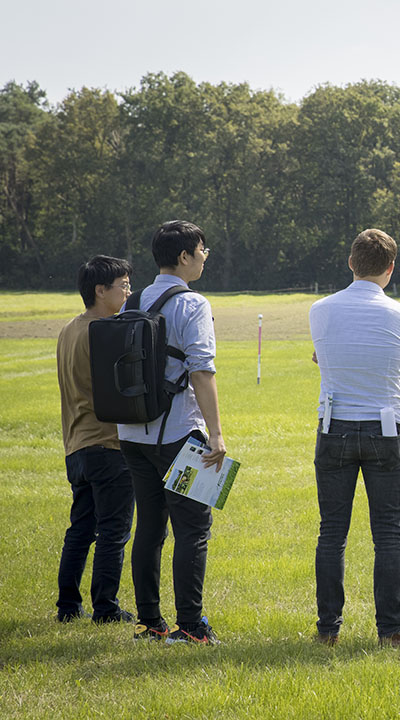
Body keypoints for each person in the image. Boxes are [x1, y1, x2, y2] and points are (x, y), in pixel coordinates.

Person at [309, 228, 400, 648]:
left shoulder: (320, 309)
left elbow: (327, 356)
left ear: (351, 263)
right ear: (389, 269)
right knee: (388, 533)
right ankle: (390, 629)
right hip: (385, 426)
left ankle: (327, 629)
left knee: (332, 532)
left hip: (334, 425)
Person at [118, 220, 226, 645]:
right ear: (184, 257)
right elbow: (201, 371)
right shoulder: (193, 304)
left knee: (149, 526)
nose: (204, 257)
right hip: (181, 434)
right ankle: (191, 626)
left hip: (132, 434)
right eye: (202, 250)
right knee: (193, 529)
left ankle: (150, 623)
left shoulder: (135, 300)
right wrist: (216, 435)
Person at [55, 255, 136, 624]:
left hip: (76, 445)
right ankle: (106, 608)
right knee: (113, 531)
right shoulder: (106, 332)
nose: (128, 291)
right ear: (100, 290)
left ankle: (68, 606)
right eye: (123, 285)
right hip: (108, 444)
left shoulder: (69, 329)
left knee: (81, 529)